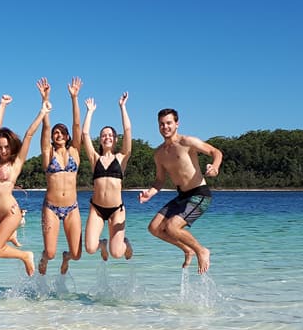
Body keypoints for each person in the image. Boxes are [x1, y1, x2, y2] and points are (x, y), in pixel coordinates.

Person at [139, 108, 223, 273]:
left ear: (176, 124)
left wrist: (215, 167)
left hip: (200, 194)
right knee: (154, 228)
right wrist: (150, 193)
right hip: (182, 196)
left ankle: (201, 250)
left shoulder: (187, 142)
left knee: (172, 227)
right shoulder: (159, 153)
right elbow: (160, 180)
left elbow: (216, 152)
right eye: (162, 124)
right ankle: (187, 249)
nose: (165, 127)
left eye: (169, 123)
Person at [0, 94, 50, 276]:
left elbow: (29, 135)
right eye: (0, 147)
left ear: (12, 146)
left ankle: (25, 256)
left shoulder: (16, 163)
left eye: (6, 147)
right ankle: (10, 235)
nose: (2, 150)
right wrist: (2, 105)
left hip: (10, 213)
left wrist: (42, 112)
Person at [37, 77, 83, 275]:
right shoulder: (48, 154)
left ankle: (67, 258)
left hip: (72, 208)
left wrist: (74, 98)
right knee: (50, 252)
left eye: (62, 132)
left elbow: (77, 125)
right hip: (51, 208)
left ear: (67, 136)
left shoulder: (74, 153)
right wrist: (45, 99)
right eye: (56, 133)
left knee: (77, 253)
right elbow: (45, 128)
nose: (58, 135)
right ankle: (43, 258)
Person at [81, 91, 133, 261]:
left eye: (110, 135)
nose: (107, 137)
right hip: (96, 208)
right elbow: (85, 135)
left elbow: (127, 129)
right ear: (101, 139)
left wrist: (123, 107)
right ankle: (102, 244)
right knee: (89, 248)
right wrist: (90, 112)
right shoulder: (95, 158)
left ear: (115, 140)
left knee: (117, 253)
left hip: (116, 210)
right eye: (104, 135)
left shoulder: (122, 157)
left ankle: (126, 243)